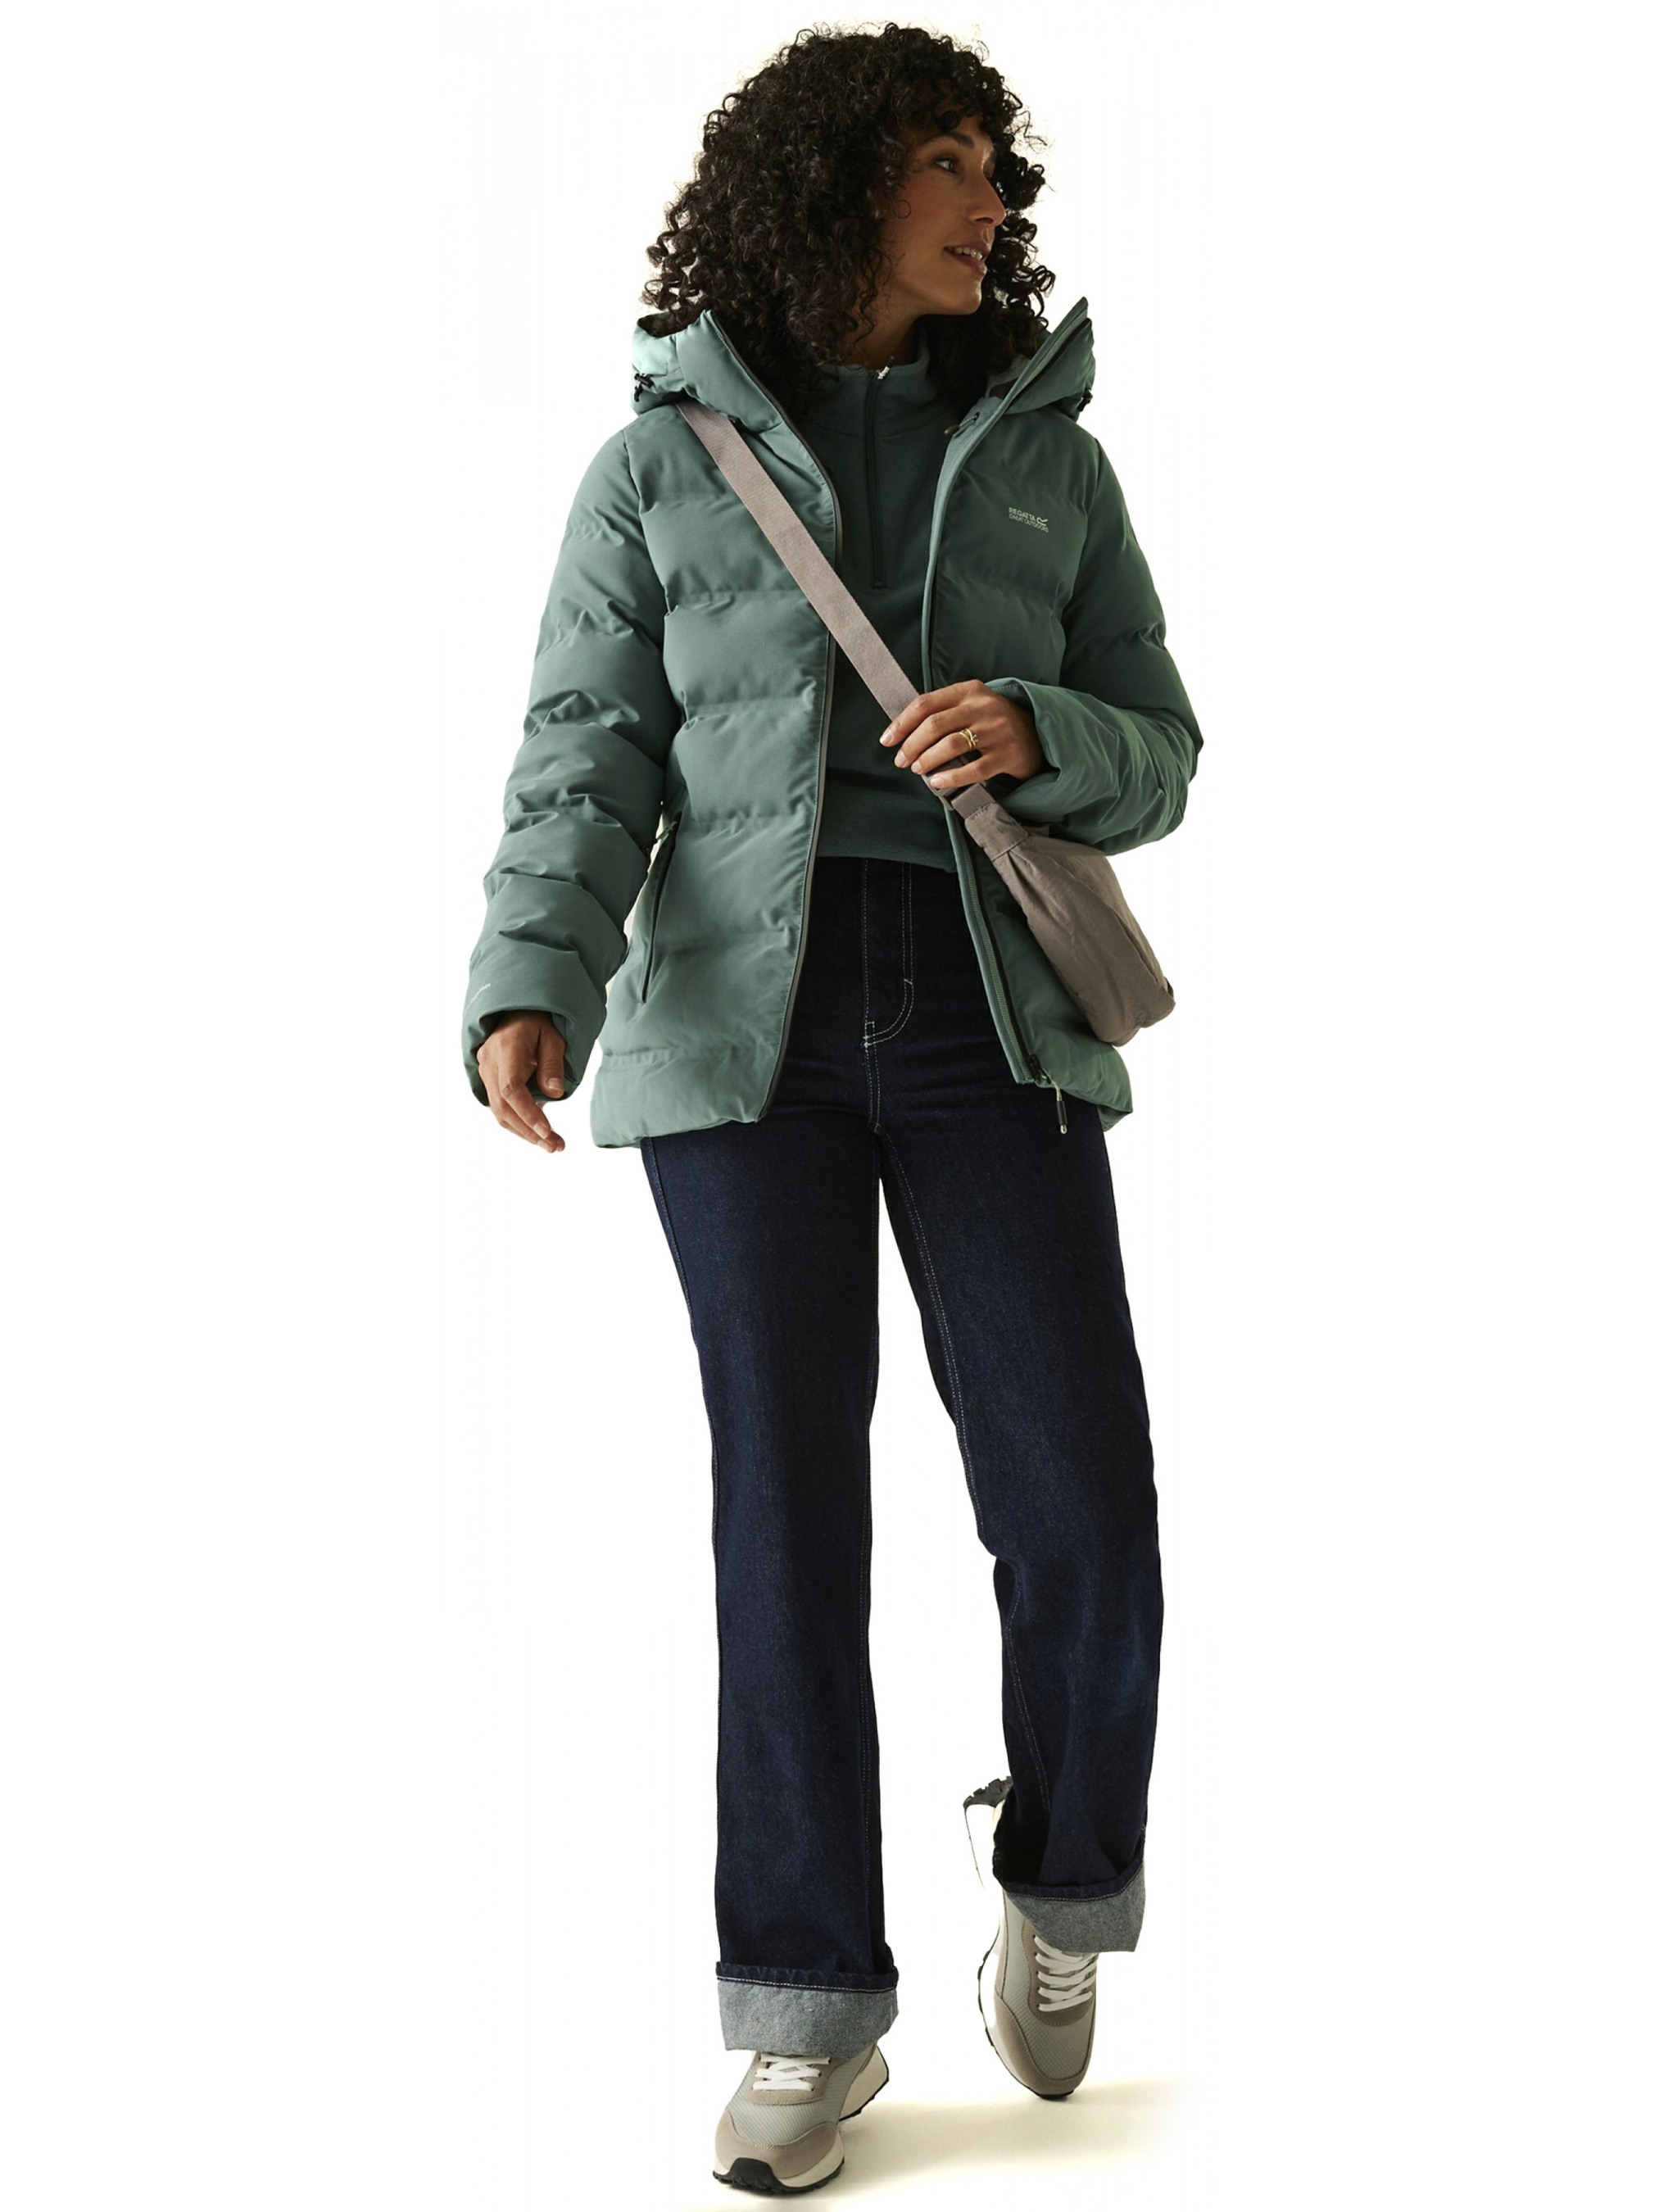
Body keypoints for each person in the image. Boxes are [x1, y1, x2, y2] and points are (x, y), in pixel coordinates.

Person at [461, 25, 1202, 2195]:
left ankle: (1064, 1884)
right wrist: (530, 977)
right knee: (784, 1511)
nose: (991, 200)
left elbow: (1160, 743)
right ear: (836, 188)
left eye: (995, 165)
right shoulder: (657, 466)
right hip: (739, 1033)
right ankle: (804, 2009)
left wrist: (1040, 725)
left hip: (989, 1013)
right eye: (947, 163)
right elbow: (587, 749)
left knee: (1080, 1498)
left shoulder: (1046, 455)